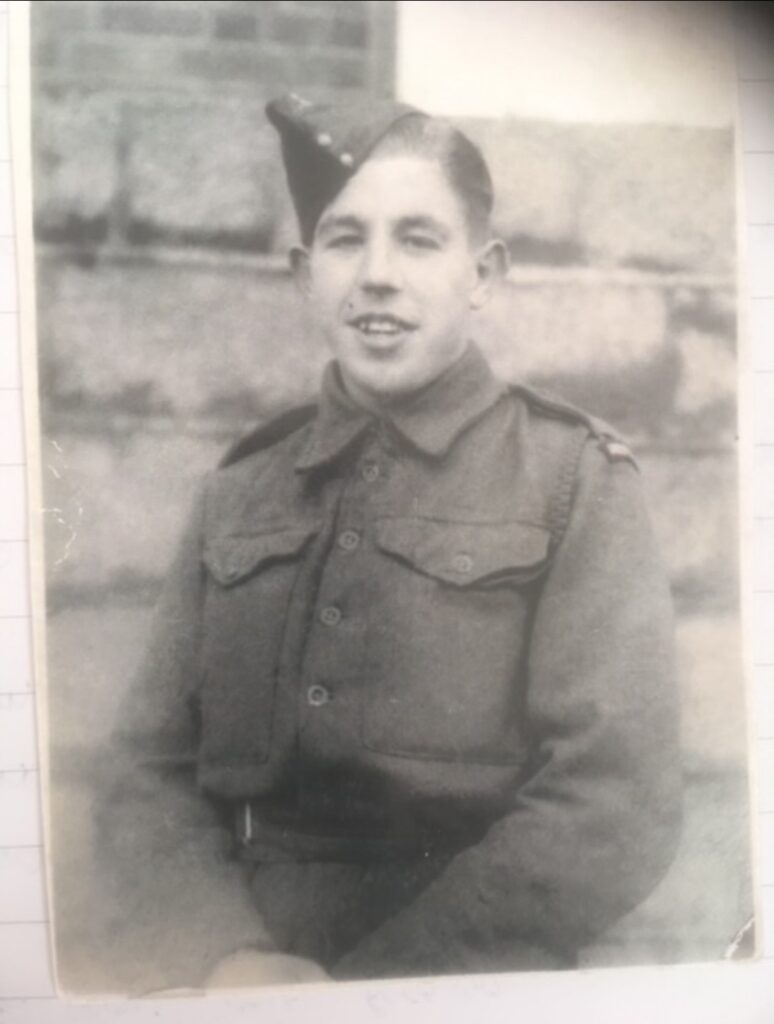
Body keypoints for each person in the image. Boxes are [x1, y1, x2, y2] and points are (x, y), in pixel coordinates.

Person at [94, 93, 682, 994]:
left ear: (482, 274)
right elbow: (145, 772)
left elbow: (612, 806)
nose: (377, 275)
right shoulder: (242, 485)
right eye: (343, 239)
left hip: (469, 976)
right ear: (303, 273)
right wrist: (225, 956)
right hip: (241, 975)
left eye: (418, 239)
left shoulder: (572, 478)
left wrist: (386, 990)